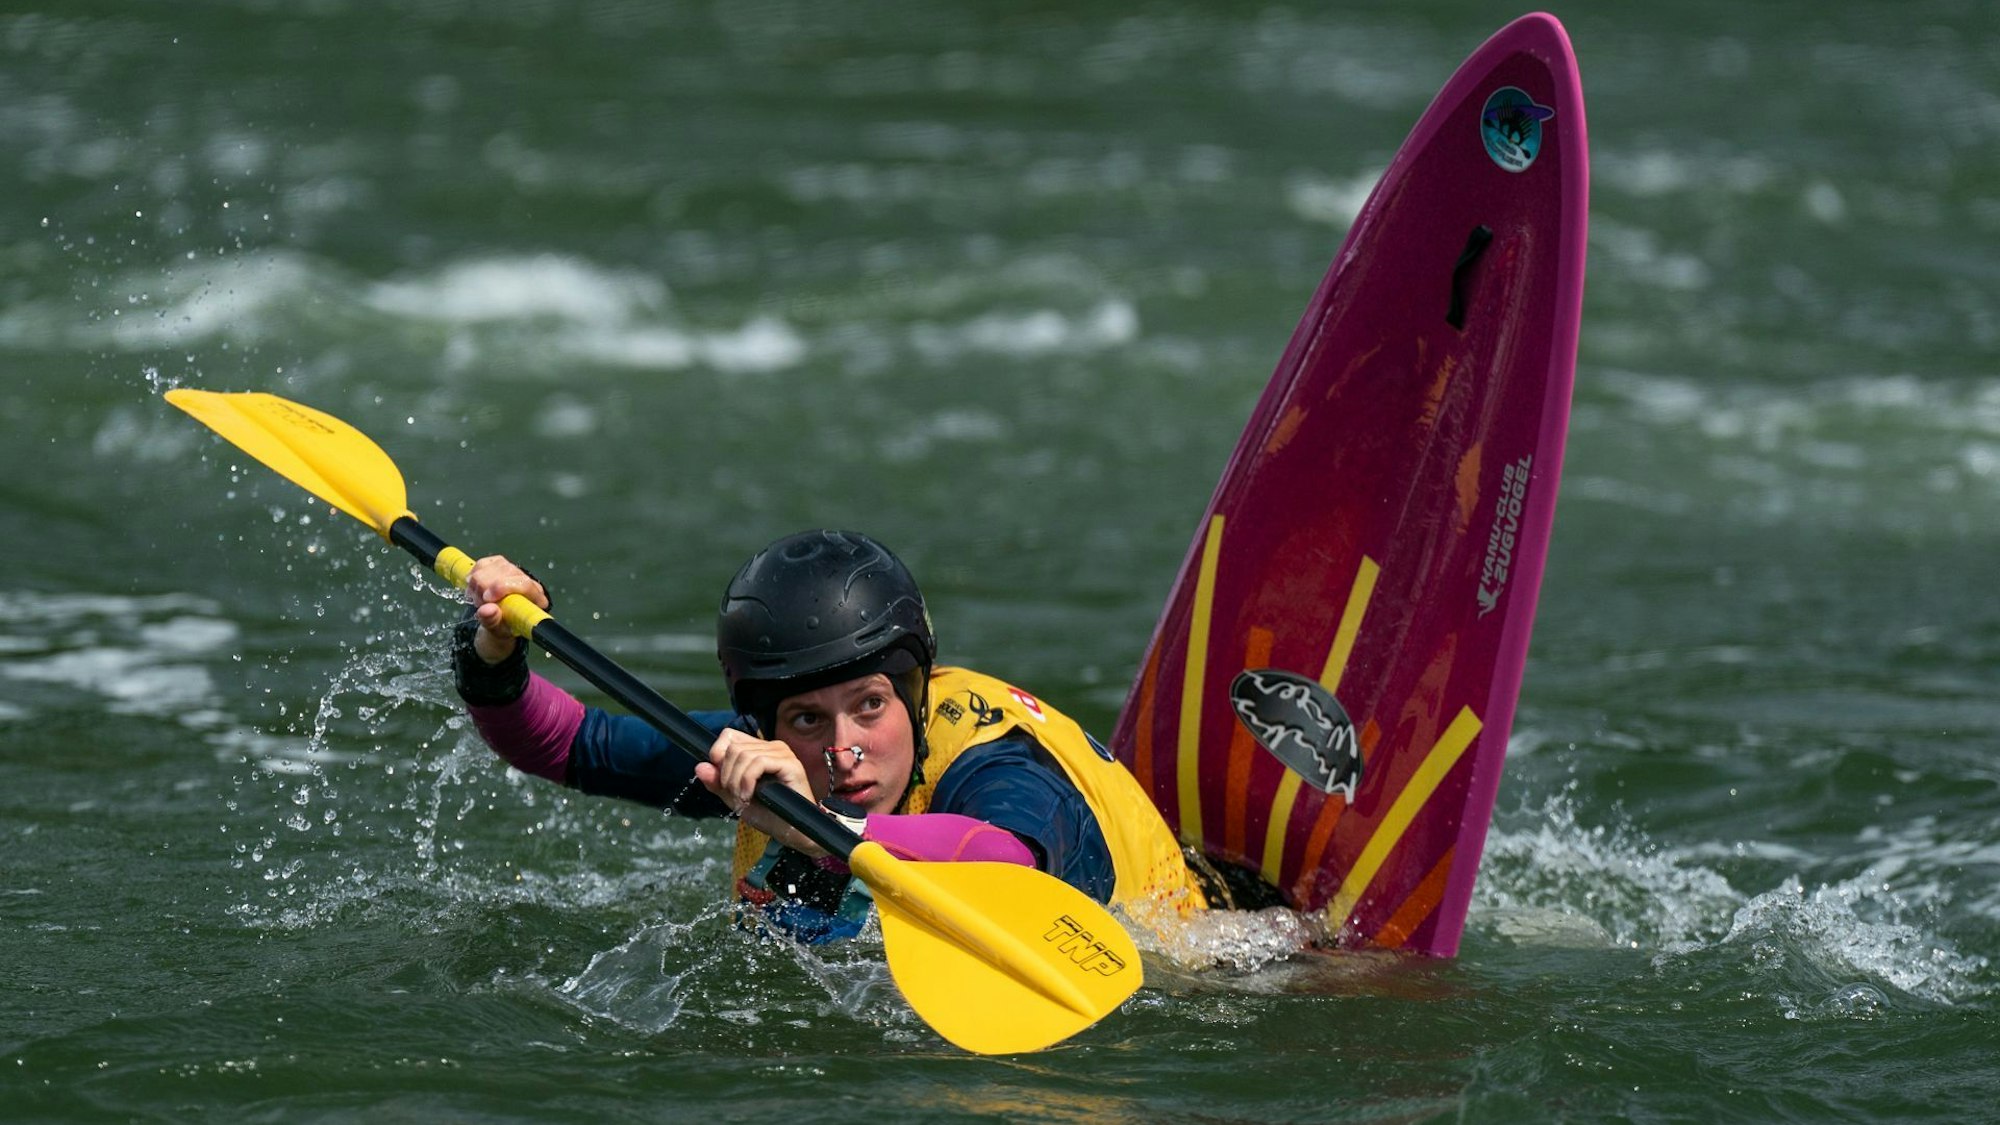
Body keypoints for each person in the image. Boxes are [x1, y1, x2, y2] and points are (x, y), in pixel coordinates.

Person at [453, 528, 1211, 942]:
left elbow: (1006, 858)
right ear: (764, 723)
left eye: (870, 706)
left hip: (1215, 965)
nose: (844, 749)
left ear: (913, 696)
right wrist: (493, 648)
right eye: (809, 719)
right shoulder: (756, 759)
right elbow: (561, 743)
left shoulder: (995, 761)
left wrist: (819, 830)